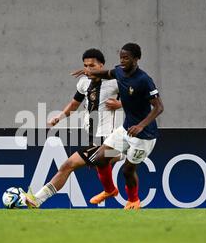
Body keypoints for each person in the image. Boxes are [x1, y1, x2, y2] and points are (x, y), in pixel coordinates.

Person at [22, 48, 123, 208]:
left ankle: (37, 199)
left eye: (92, 65)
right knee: (72, 165)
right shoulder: (84, 83)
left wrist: (120, 103)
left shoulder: (115, 82)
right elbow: (74, 104)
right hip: (95, 140)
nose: (88, 69)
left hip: (111, 139)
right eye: (85, 65)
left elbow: (139, 98)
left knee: (70, 165)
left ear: (102, 65)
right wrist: (60, 117)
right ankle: (112, 184)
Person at [70, 43, 164, 210]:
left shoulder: (144, 80)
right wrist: (89, 72)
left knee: (128, 170)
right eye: (121, 57)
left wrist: (141, 126)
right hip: (126, 129)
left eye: (126, 58)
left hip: (144, 136)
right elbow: (107, 73)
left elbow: (159, 107)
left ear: (136, 59)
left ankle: (133, 201)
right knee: (99, 158)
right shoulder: (119, 71)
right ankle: (110, 190)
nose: (122, 61)